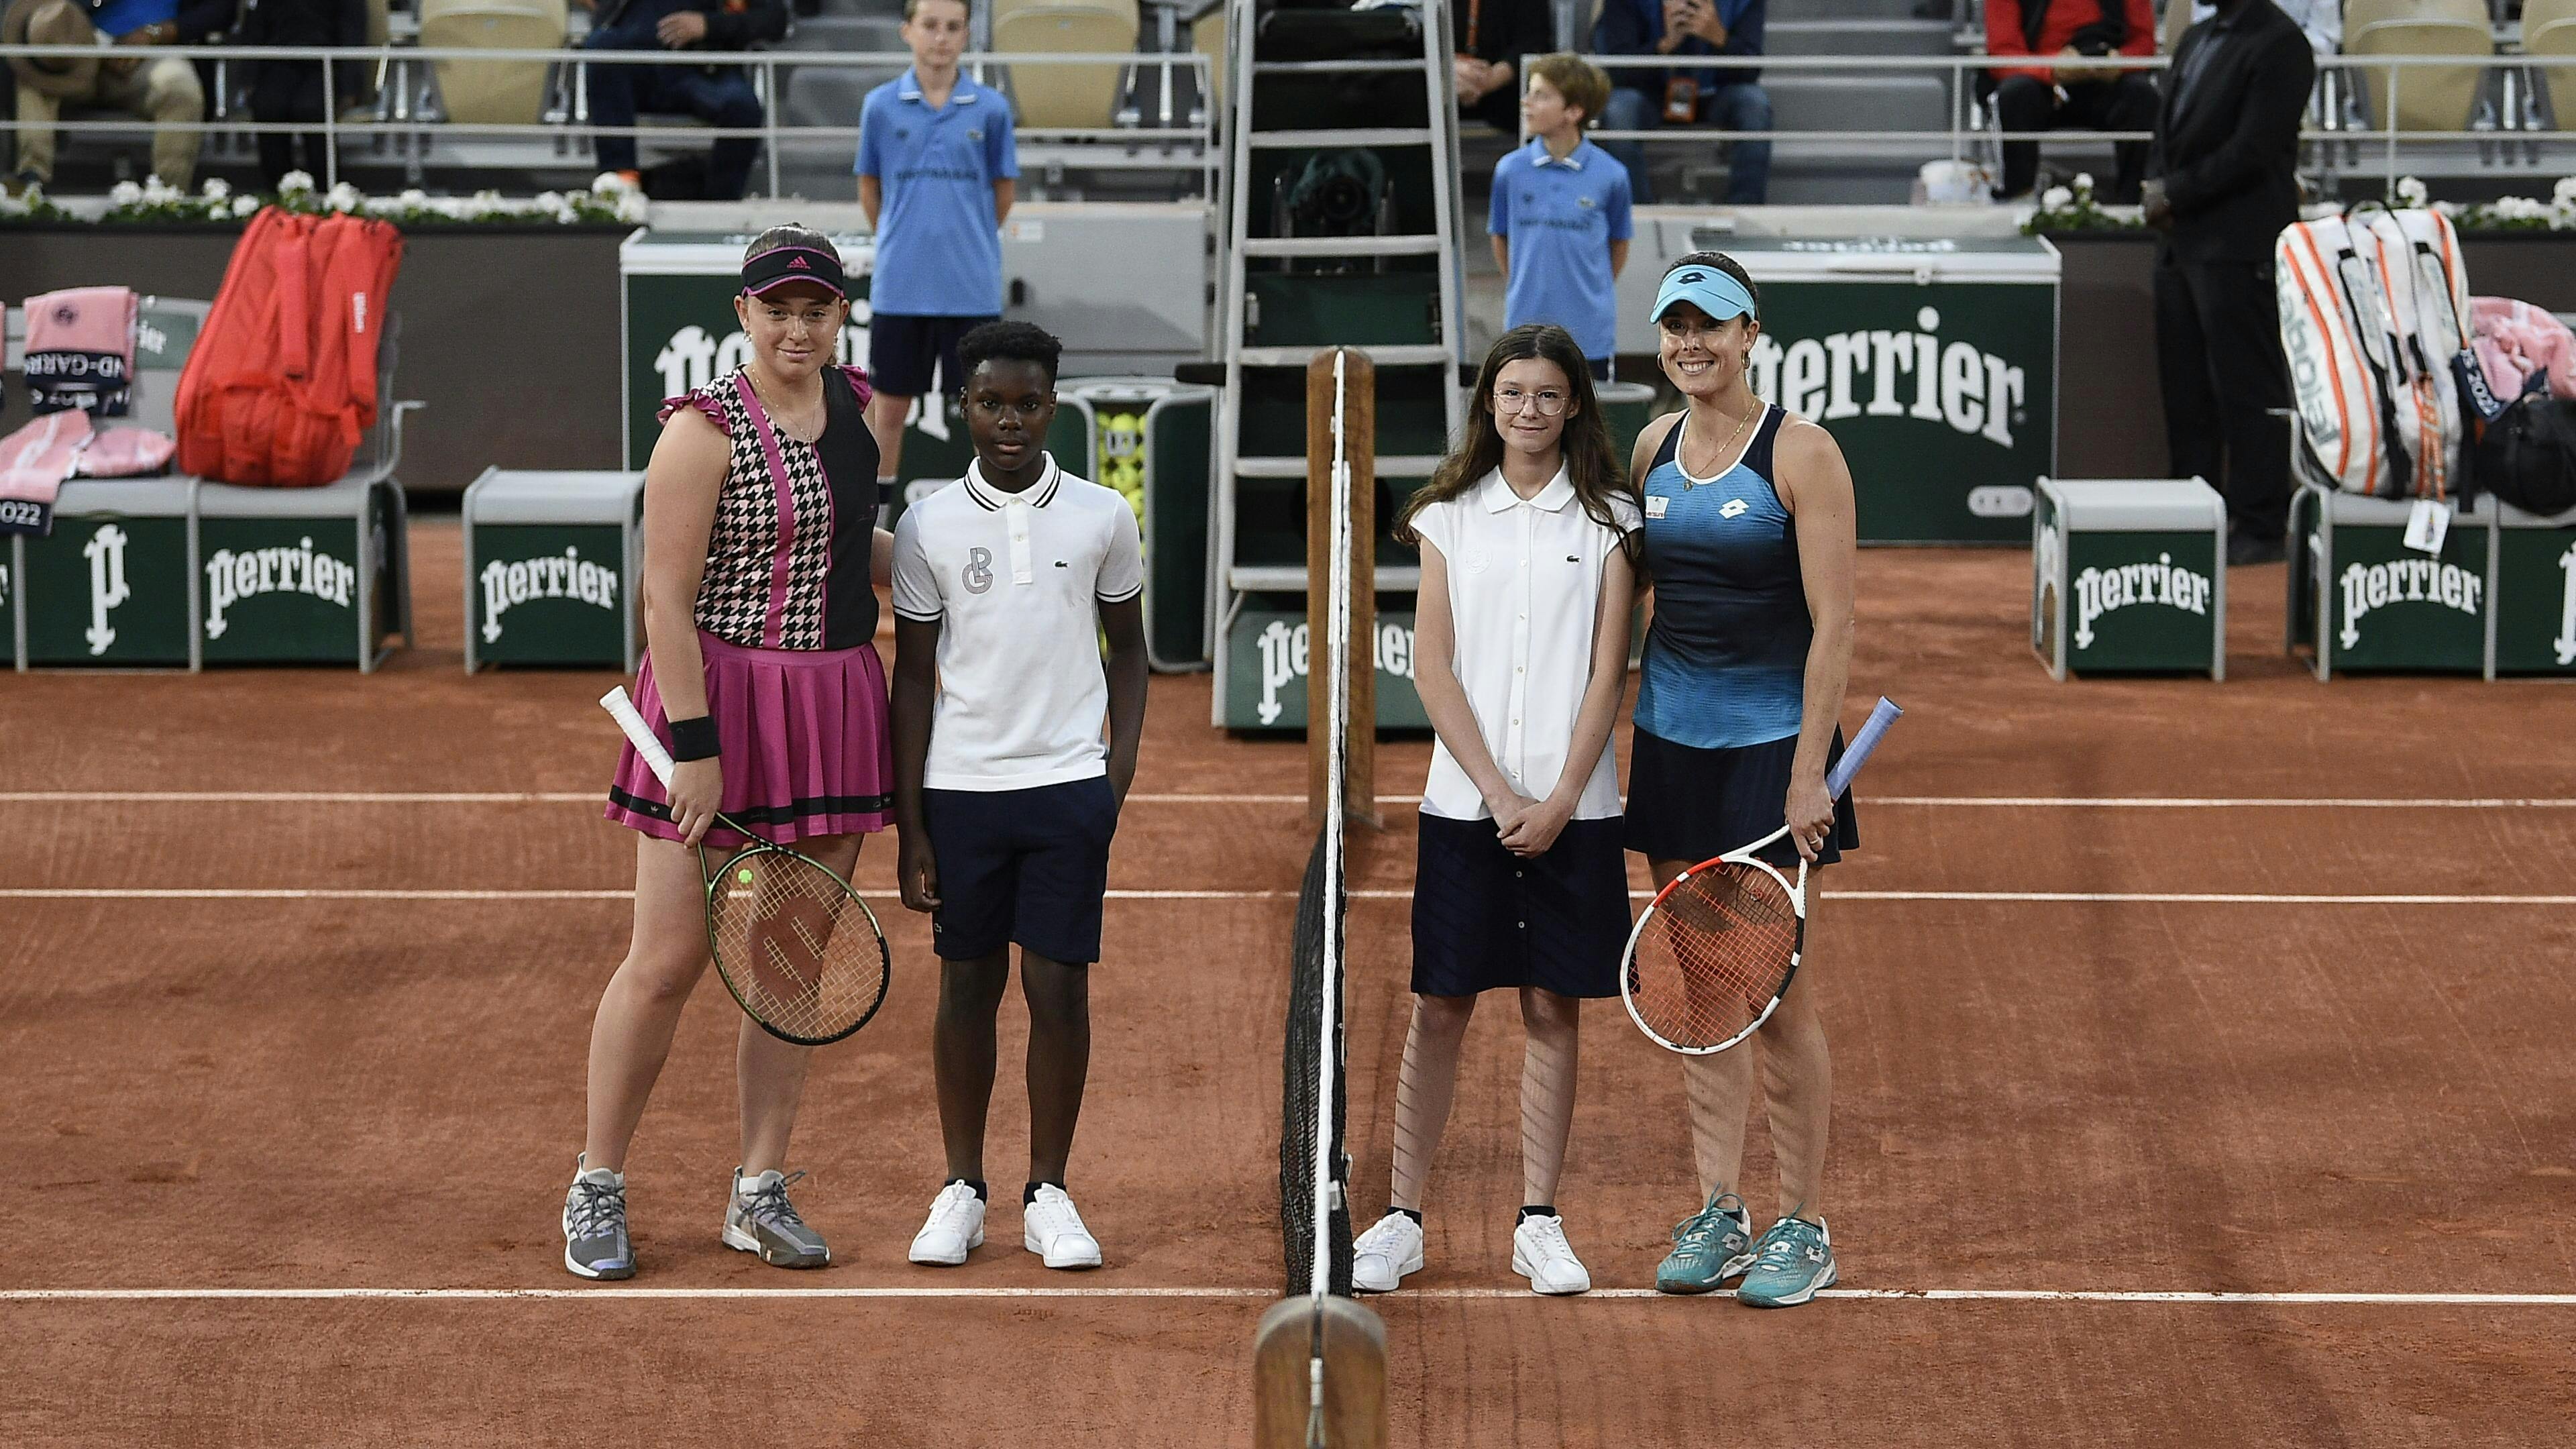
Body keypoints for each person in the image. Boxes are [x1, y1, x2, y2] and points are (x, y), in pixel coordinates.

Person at [568, 225, 892, 1281]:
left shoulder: (854, 409)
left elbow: (854, 543)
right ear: (743, 313)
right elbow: (666, 597)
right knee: (667, 962)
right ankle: (597, 1185)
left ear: (839, 314)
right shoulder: (701, 432)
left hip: (833, 701)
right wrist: (695, 752)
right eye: (778, 308)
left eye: (817, 308)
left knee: (787, 970)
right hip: (715, 702)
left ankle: (758, 1191)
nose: (798, 326)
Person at [1348, 325, 1640, 1298]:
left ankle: (1540, 1223)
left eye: (1548, 395)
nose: (1529, 411)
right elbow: (1432, 665)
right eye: (1512, 393)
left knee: (1553, 1007)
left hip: (1578, 811)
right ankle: (1402, 1218)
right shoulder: (1448, 517)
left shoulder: (1610, 522)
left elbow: (1610, 674)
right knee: (1439, 1005)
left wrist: (1558, 798)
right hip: (1465, 808)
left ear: (1574, 407)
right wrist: (1503, 793)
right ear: (1488, 403)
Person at [1624, 254, 1858, 1308]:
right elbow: (1633, 609)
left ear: (1752, 333)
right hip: (1674, 742)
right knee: (1706, 997)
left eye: (1711, 327)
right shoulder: (1651, 449)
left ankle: (1805, 1224)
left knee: (1778, 994)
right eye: (1676, 327)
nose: (1691, 345)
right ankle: (1720, 1211)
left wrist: (1809, 773)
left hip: (1771, 754)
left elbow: (1835, 625)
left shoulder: (1803, 455)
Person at [890, 321, 1148, 1273]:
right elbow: (913, 678)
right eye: (991, 402)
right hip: (963, 793)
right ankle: (962, 1186)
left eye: (1028, 403)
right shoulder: (925, 523)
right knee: (967, 985)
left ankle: (1050, 1191)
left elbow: (1132, 655)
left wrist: (1110, 781)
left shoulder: (1101, 516)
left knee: (1056, 989)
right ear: (962, 405)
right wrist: (912, 824)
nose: (1010, 420)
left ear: (1054, 404)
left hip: (1067, 791)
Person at [2144, 0, 2312, 564]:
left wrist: (2176, 191)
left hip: (2241, 246)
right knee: (2186, 393)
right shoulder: (2196, 38)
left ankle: (2261, 524)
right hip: (2181, 244)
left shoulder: (2283, 43)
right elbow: (2165, 126)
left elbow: (2255, 149)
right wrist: (2155, 182)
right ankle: (2191, 513)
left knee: (2248, 391)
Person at [857, 0, 1015, 500]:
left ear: (967, 34)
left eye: (952, 27)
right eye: (930, 26)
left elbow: (1002, 194)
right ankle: (875, 528)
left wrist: (964, 240)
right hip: (901, 289)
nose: (940, 38)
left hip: (970, 290)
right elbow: (870, 188)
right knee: (888, 409)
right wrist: (905, 240)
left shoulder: (991, 109)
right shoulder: (880, 106)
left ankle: (990, 519)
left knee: (985, 408)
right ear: (908, 31)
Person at [1491, 56, 1633, 383]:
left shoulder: (1612, 175)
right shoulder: (1509, 171)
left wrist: (1589, 293)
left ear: (1574, 111)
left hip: (1590, 337)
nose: (1527, 103)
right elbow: (1500, 237)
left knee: (1589, 430)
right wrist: (1522, 286)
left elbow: (1619, 245)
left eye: (1541, 95)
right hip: (1522, 332)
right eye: (1529, 92)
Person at [580, 0, 787, 202]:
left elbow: (775, 19)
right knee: (602, 47)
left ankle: (720, 205)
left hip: (704, 69)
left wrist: (708, 25)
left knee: (743, 107)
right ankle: (620, 185)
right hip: (634, 67)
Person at [5, 0, 207, 192]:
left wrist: (157, 34)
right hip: (70, 55)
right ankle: (30, 184)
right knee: (33, 80)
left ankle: (167, 199)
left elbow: (221, 10)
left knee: (181, 90)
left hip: (151, 53)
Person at [1592, 0, 1770, 205]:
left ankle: (1744, 209)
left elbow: (1751, 70)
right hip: (1651, 93)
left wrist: (1719, 37)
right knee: (1619, 109)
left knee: (1754, 105)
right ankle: (1637, 214)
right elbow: (1618, 73)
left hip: (1716, 92)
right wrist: (1664, 45)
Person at [1982, 0, 2159, 203]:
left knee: (2142, 95)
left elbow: (2144, 43)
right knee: (2015, 93)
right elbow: (2002, 52)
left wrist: (2120, 61)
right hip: (2041, 81)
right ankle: (2017, 198)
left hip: (2109, 76)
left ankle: (2136, 203)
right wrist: (2052, 69)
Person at [237, 0, 368, 192]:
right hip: (277, 63)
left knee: (311, 109)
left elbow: (353, 32)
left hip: (325, 65)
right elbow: (254, 30)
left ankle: (327, 192)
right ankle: (278, 192)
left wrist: (351, 88)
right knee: (269, 107)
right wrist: (249, 78)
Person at [1450, 0, 1553, 135]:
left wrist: (1487, 80)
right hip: (1436, 100)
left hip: (1510, 104)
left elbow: (1534, 41)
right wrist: (1448, 71)